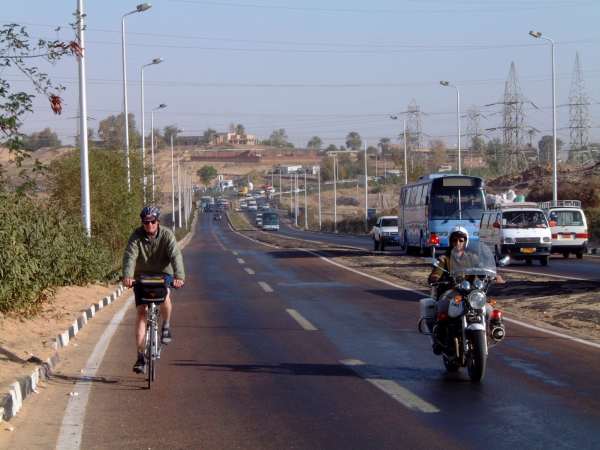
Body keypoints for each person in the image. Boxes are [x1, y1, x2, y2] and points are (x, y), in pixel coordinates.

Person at [122, 206, 185, 374]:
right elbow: (130, 255)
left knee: (164, 298)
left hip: (163, 274)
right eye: (145, 222)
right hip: (142, 276)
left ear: (158, 221)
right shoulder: (136, 236)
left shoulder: (167, 235)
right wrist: (128, 276)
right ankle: (140, 357)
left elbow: (175, 255)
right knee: (141, 313)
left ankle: (166, 325)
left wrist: (179, 276)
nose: (149, 225)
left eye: (152, 222)